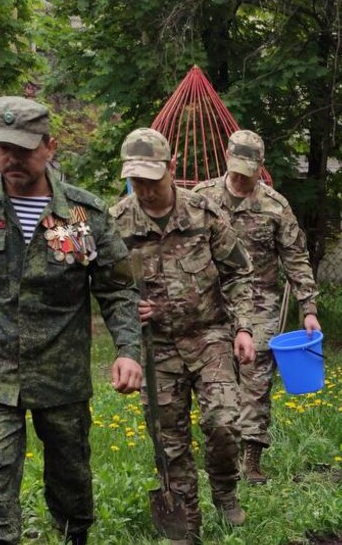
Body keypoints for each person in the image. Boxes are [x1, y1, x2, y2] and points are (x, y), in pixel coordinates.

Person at [0, 97, 143, 545]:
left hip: (60, 377)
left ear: (49, 147)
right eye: (2, 147)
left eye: (23, 148)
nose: (11, 158)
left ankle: (73, 533)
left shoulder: (80, 215)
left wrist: (127, 351)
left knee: (70, 481)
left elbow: (117, 289)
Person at [111, 128, 259, 545]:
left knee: (224, 423)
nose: (144, 190)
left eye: (152, 180)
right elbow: (107, 287)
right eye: (135, 181)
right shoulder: (117, 223)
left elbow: (238, 272)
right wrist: (127, 307)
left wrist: (243, 327)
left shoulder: (202, 213)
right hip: (155, 347)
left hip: (208, 336)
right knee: (169, 442)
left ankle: (225, 489)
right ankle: (184, 525)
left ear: (171, 169)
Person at [193, 130, 321, 485]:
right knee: (217, 380)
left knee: (256, 379)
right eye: (236, 169)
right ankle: (221, 452)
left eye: (248, 171)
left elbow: (296, 259)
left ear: (260, 167)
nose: (240, 177)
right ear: (226, 156)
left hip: (261, 303)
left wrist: (308, 307)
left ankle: (251, 458)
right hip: (212, 304)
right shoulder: (202, 198)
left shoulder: (275, 206)